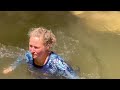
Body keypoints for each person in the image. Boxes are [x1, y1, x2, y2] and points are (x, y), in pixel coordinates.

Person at [3, 27, 80, 79]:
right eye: (30, 46)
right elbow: (20, 59)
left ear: (47, 46)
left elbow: (74, 77)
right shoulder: (29, 55)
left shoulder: (57, 63)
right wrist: (11, 67)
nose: (32, 50)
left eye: (36, 47)